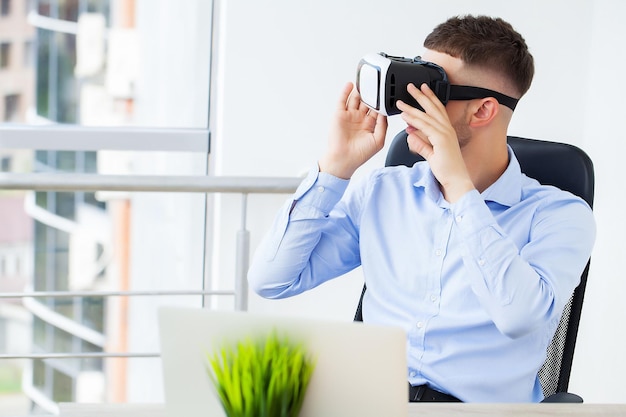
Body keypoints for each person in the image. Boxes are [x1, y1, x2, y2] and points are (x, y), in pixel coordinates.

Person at [247, 15, 595, 403]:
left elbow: (518, 318)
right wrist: (334, 168)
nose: (406, 105)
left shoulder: (560, 215)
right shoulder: (383, 191)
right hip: (370, 404)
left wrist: (460, 188)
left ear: (482, 111)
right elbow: (271, 280)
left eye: (430, 91)